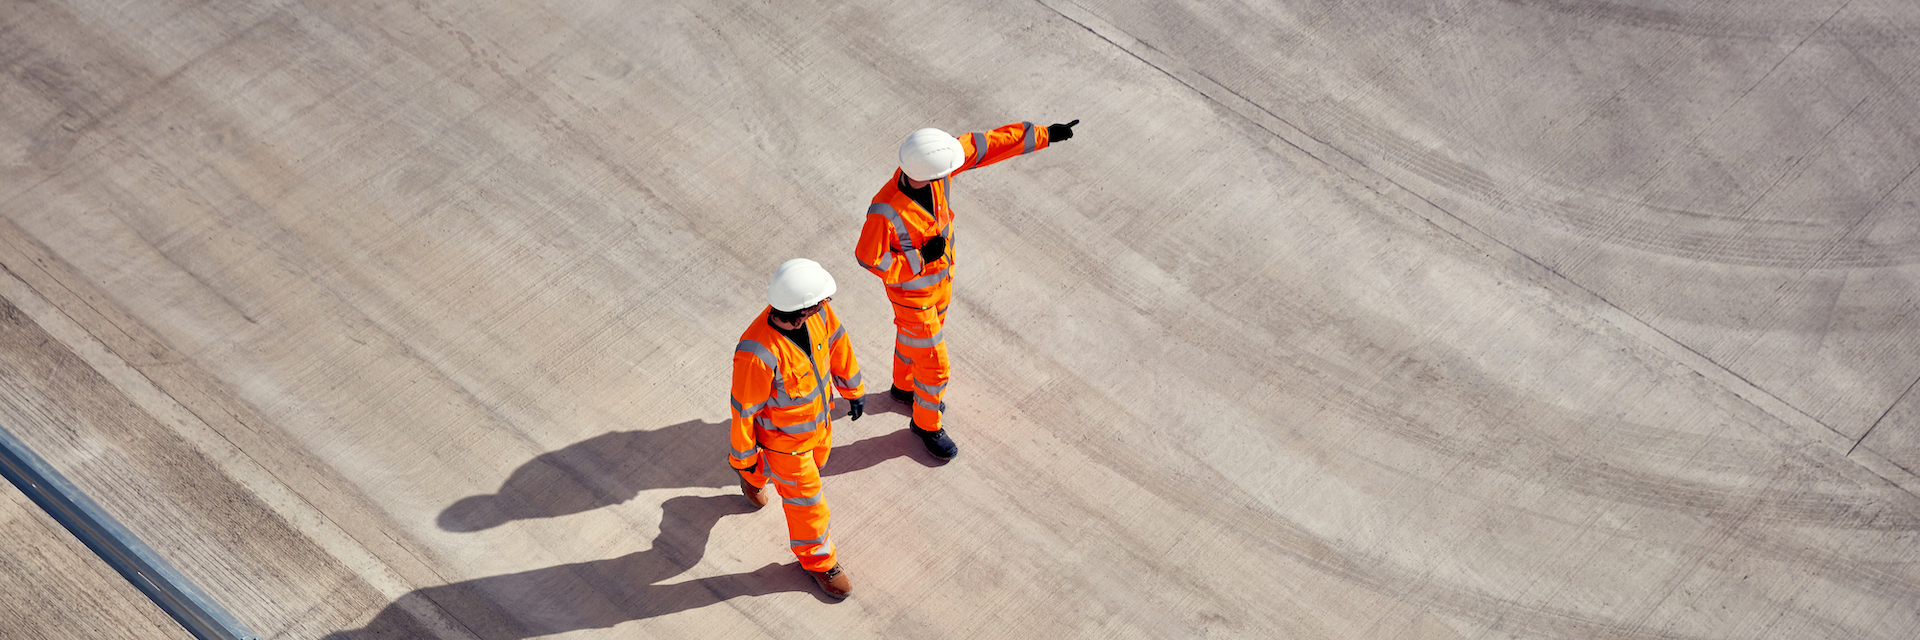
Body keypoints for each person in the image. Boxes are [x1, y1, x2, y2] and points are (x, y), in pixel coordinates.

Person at [853, 119, 1078, 459]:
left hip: (941, 283)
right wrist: (917, 260)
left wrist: (1046, 134)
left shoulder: (936, 166)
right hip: (914, 297)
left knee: (910, 341)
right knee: (935, 365)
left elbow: (985, 145)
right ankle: (926, 424)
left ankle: (903, 388)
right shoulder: (885, 210)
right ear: (926, 173)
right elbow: (868, 258)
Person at [727, 258, 866, 599]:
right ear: (800, 309)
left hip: (818, 428)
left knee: (812, 470)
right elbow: (744, 412)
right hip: (785, 446)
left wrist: (853, 388)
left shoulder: (819, 316)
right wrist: (742, 456)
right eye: (821, 301)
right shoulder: (757, 353)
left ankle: (756, 476)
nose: (826, 305)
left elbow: (838, 344)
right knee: (808, 503)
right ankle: (820, 563)